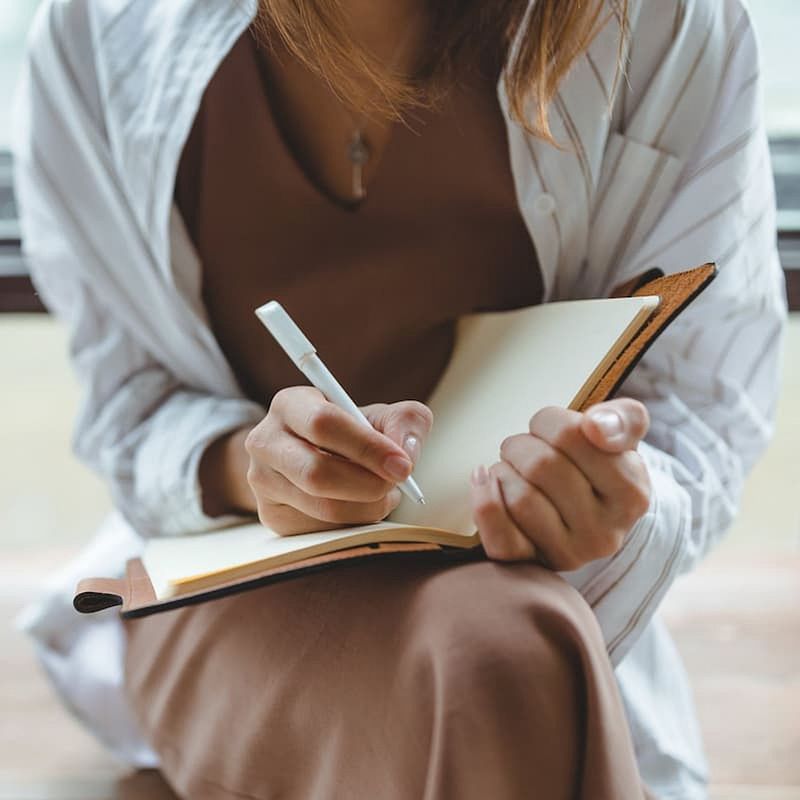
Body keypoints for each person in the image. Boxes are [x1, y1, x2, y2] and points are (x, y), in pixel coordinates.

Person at [12, 0, 786, 797]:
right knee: (504, 654)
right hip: (226, 586)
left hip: (537, 589)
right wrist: (257, 471)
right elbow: (129, 405)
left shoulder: (661, 24)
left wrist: (615, 495)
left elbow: (699, 408)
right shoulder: (99, 32)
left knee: (501, 643)